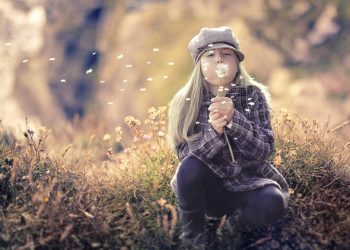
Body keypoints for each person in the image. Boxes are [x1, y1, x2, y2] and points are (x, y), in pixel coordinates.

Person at [166, 26, 290, 249]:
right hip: (209, 190)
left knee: (274, 201)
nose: (219, 61)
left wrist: (236, 121)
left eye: (227, 55)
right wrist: (214, 133)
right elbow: (185, 160)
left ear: (237, 62)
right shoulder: (186, 101)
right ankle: (194, 236)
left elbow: (264, 151)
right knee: (190, 168)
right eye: (210, 56)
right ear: (199, 64)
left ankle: (229, 230)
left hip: (249, 183)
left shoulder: (253, 95)